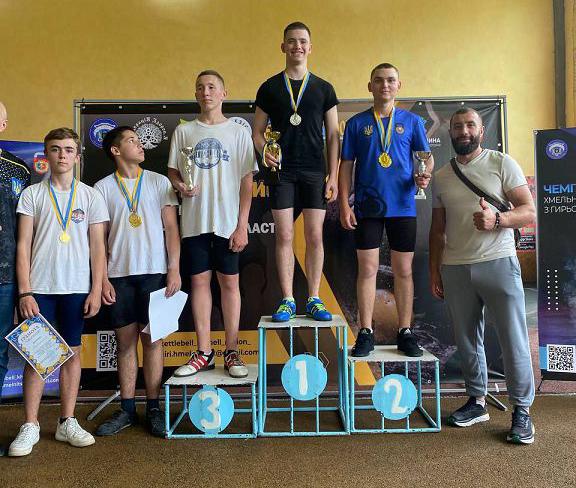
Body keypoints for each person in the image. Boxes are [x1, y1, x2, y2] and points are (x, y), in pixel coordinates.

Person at [429, 107, 536, 444]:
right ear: (450, 133)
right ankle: (477, 402)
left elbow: (528, 211)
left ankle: (522, 410)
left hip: (499, 262)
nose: (464, 131)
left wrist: (498, 220)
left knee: (513, 339)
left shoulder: (502, 163)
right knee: (466, 340)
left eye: (470, 125)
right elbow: (437, 229)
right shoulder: (442, 175)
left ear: (481, 130)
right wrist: (435, 270)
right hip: (455, 267)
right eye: (457, 126)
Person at [9, 128, 107, 456]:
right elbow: (23, 245)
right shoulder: (32, 195)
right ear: (46, 155)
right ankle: (30, 424)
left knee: (73, 353)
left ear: (77, 157)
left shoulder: (91, 196)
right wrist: (25, 292)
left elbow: (98, 248)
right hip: (40, 289)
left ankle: (67, 421)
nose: (62, 155)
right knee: (38, 357)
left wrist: (96, 288)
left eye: (68, 150)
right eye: (55, 149)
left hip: (77, 288)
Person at [339, 63, 433, 357]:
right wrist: (343, 203)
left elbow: (426, 158)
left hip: (403, 206)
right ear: (370, 87)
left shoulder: (412, 122)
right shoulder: (356, 124)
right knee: (367, 269)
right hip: (367, 207)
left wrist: (425, 173)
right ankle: (365, 332)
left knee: (403, 270)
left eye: (391, 80)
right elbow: (346, 166)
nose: (385, 85)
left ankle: (405, 331)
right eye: (379, 80)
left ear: (398, 85)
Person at [168, 70, 257, 378]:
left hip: (227, 223)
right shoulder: (184, 131)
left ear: (223, 93)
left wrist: (242, 225)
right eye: (200, 88)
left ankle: (232, 351)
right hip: (194, 222)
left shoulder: (238, 132)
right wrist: (180, 186)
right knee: (199, 283)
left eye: (211, 87)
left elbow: (247, 181)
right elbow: (174, 172)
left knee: (230, 284)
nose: (205, 92)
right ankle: (204, 352)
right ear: (195, 94)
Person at [93, 126, 181, 437]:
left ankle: (154, 407)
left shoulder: (159, 182)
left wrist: (174, 270)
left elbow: (171, 229)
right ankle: (127, 409)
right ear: (116, 151)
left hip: (154, 273)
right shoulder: (102, 188)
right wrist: (102, 279)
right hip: (118, 276)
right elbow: (98, 239)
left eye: (139, 140)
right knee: (125, 344)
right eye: (132, 140)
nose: (140, 145)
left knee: (154, 341)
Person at [253, 21, 340, 322]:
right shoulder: (269, 87)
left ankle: (314, 298)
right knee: (285, 235)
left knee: (314, 236)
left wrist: (333, 176)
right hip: (282, 172)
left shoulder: (324, 88)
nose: (297, 46)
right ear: (283, 46)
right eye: (291, 41)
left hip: (315, 171)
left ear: (310, 47)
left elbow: (333, 134)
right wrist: (265, 152)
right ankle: (288, 299)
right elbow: (257, 132)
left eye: (302, 41)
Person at [0, 102, 31, 456]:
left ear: (4, 124)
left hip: (5, 276)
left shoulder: (18, 170)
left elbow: (25, 231)